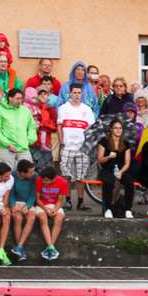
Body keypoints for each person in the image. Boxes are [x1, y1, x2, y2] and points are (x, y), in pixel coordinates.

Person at [57, 83, 95, 211]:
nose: (77, 95)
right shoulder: (63, 108)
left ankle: (80, 202)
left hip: (82, 148)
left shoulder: (87, 109)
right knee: (67, 175)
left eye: (79, 93)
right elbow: (59, 127)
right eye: (75, 92)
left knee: (81, 176)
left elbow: (91, 129)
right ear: (70, 93)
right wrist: (62, 144)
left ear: (81, 94)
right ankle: (68, 202)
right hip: (67, 146)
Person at [96, 119, 134, 219]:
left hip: (121, 169)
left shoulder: (125, 143)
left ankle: (128, 209)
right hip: (108, 168)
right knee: (109, 182)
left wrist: (121, 172)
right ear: (111, 129)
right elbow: (100, 160)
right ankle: (108, 208)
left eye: (120, 128)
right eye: (116, 128)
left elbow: (127, 162)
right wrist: (108, 157)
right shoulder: (104, 141)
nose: (118, 130)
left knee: (130, 183)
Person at [0, 88, 36, 170]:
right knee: (6, 174)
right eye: (17, 98)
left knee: (27, 173)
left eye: (21, 98)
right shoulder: (0, 110)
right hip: (6, 148)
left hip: (24, 148)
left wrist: (29, 140)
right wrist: (7, 144)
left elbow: (32, 127)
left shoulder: (26, 110)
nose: (19, 101)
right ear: (10, 98)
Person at [4, 159, 35, 261]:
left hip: (27, 202)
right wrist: (12, 205)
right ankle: (19, 247)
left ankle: (19, 246)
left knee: (31, 217)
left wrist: (28, 206)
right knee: (17, 218)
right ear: (22, 172)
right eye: (30, 172)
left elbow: (33, 193)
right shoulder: (12, 175)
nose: (33, 174)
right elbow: (10, 194)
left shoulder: (35, 176)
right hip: (15, 201)